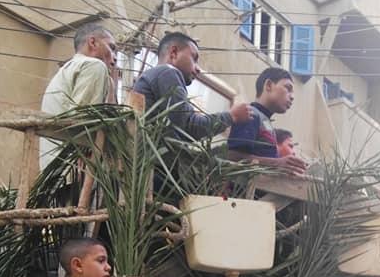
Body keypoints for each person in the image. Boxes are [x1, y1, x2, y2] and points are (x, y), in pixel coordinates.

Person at [133, 31, 251, 138]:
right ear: (174, 53)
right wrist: (232, 116)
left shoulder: (155, 75)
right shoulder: (167, 72)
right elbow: (189, 126)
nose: (198, 69)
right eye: (194, 58)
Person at [40, 23, 118, 169]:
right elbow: (83, 122)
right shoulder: (94, 66)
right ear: (93, 42)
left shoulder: (67, 70)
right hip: (73, 170)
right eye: (111, 48)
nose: (114, 58)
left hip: (54, 171)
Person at [227, 68, 307, 174]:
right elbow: (233, 156)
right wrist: (277, 163)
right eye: (288, 88)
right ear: (268, 85)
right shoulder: (250, 114)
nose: (292, 97)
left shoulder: (266, 122)